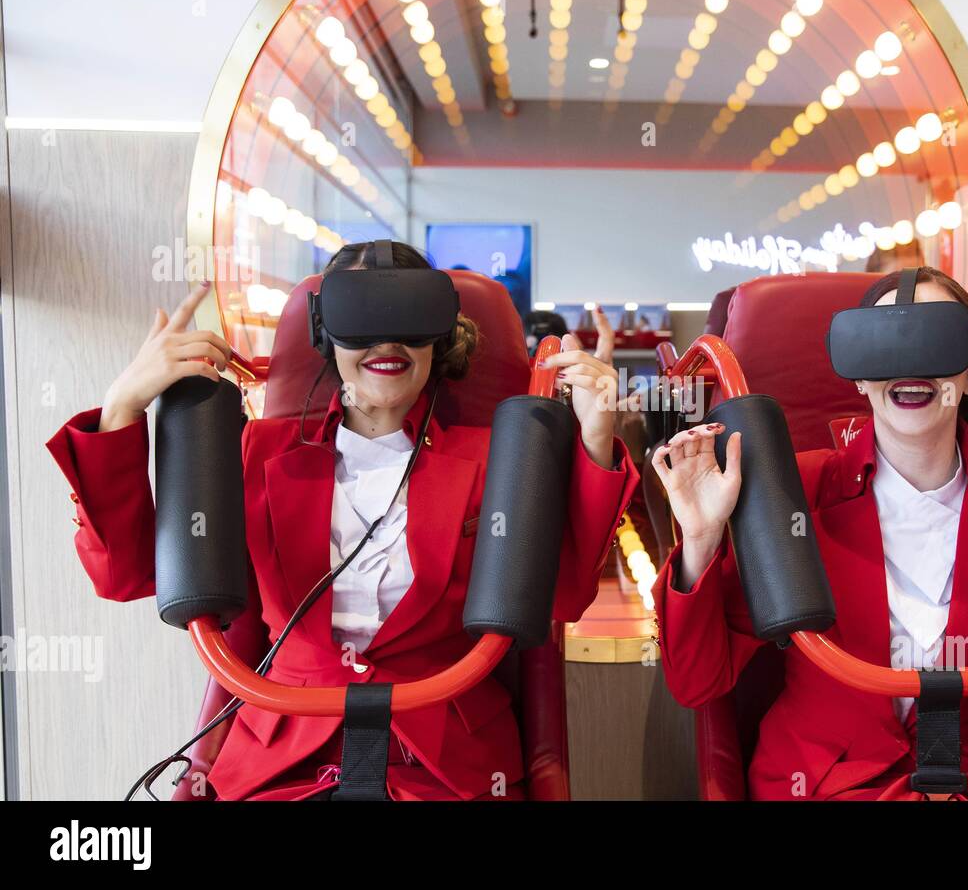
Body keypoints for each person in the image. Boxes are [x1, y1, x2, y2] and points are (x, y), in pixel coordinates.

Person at [48, 241, 637, 800]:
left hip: (444, 764)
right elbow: (122, 575)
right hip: (282, 763)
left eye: (409, 318)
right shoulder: (254, 452)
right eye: (362, 317)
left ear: (442, 336)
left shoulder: (498, 461)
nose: (388, 341)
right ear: (324, 334)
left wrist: (595, 440)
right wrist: (123, 408)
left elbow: (561, 597)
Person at [650, 266, 968, 800]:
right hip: (824, 781)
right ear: (858, 373)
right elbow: (699, 683)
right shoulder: (793, 496)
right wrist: (700, 542)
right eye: (885, 342)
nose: (911, 363)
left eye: (935, 337)